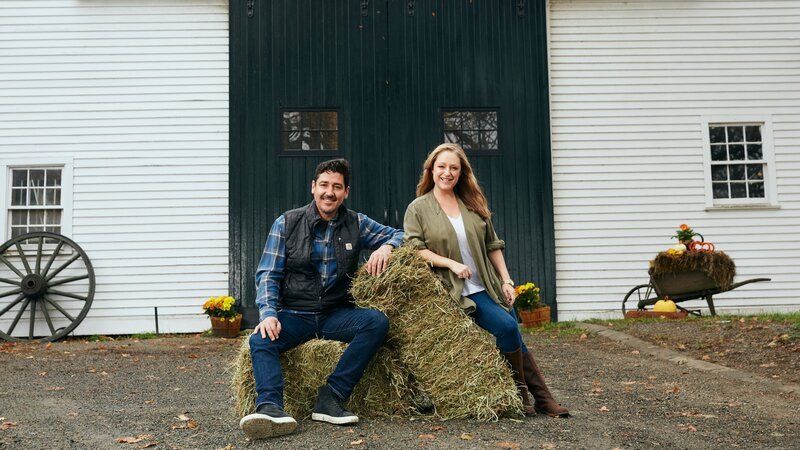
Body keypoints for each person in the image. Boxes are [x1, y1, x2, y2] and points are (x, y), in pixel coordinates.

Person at [240, 159, 404, 439]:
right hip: (294, 314)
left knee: (376, 322)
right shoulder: (288, 223)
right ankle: (271, 407)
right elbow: (268, 273)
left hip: (334, 314)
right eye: (325, 185)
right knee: (260, 340)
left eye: (337, 187)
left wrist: (387, 246)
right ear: (313, 187)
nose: (330, 192)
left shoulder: (357, 222)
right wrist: (268, 313)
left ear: (346, 192)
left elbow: (402, 233)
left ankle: (331, 397)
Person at [403, 143, 569, 418]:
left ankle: (537, 398)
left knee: (514, 334)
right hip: (457, 289)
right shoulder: (418, 208)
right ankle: (527, 395)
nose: (447, 172)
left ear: (461, 172)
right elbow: (416, 249)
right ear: (431, 169)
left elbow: (493, 244)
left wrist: (506, 280)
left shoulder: (471, 203)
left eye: (454, 168)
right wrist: (451, 263)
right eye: (442, 166)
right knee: (507, 327)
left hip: (488, 285)